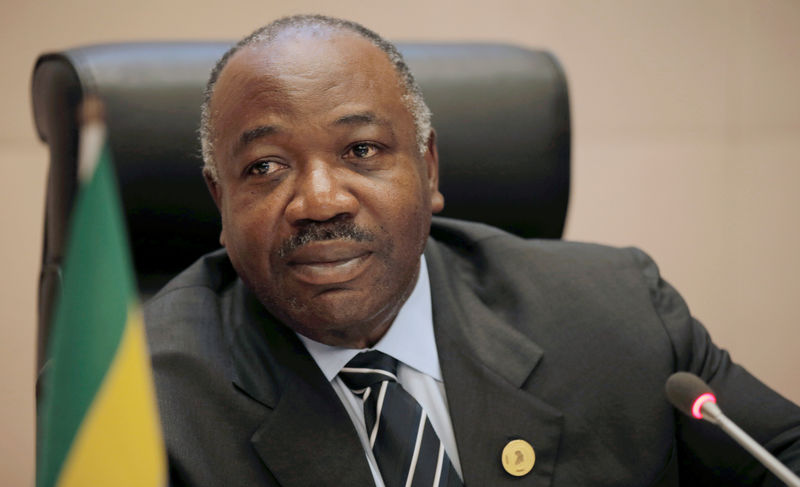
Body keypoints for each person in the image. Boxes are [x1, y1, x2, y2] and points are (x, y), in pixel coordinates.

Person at [144, 14, 800, 487]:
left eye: (361, 150)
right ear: (220, 203)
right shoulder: (142, 405)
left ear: (428, 169)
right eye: (263, 167)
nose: (319, 201)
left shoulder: (622, 312)